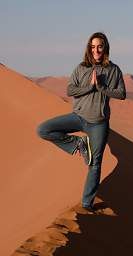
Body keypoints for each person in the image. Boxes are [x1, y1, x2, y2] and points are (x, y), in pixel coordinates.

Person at [37, 32, 126, 212]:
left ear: (105, 47)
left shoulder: (113, 70)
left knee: (95, 164)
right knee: (43, 130)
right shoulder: (81, 67)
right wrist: (89, 87)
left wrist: (102, 88)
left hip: (98, 123)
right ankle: (78, 143)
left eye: (99, 46)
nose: (96, 50)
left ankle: (86, 204)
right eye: (93, 47)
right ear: (88, 48)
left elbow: (121, 94)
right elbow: (70, 90)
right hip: (78, 117)